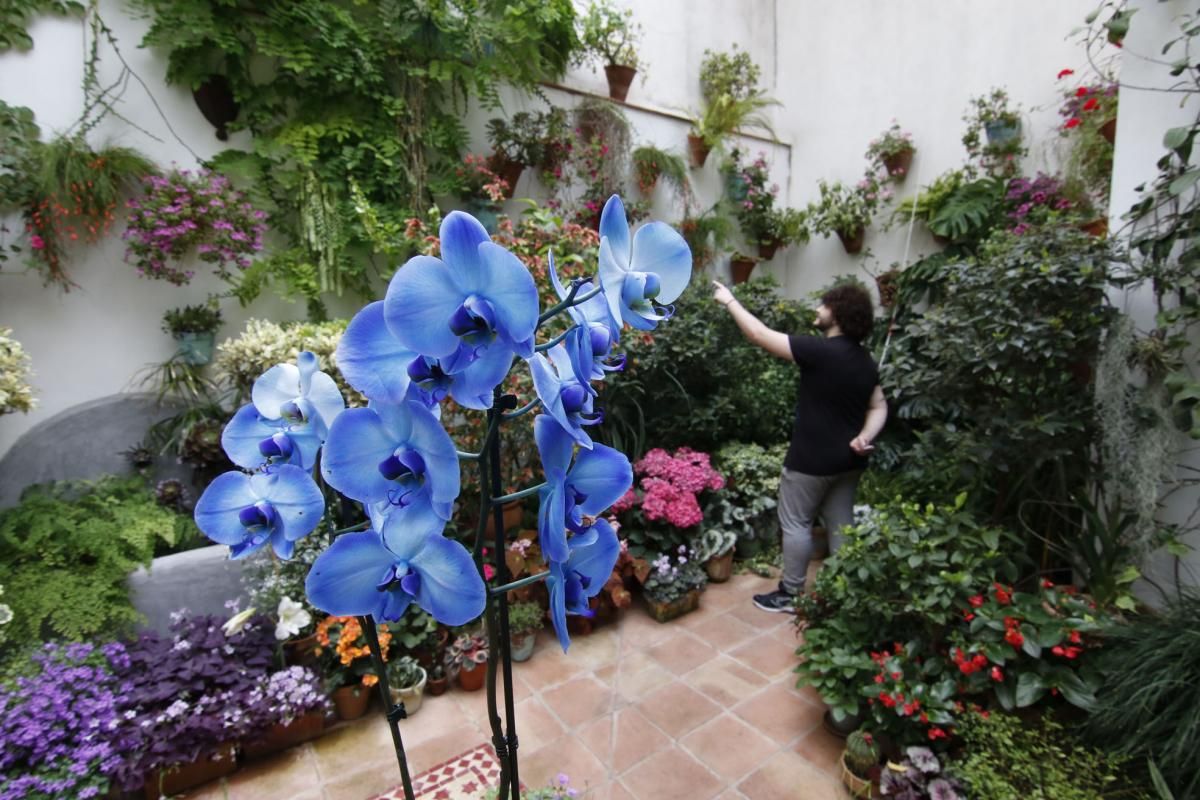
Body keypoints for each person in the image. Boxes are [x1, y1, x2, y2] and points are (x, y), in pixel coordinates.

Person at [711, 279, 887, 612]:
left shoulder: (820, 351)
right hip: (849, 462)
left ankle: (790, 594)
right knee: (842, 525)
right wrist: (866, 436)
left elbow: (759, 336)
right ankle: (846, 592)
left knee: (795, 524)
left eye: (823, 305)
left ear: (836, 313)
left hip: (811, 461)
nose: (817, 310)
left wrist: (730, 301)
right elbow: (879, 406)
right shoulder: (866, 361)